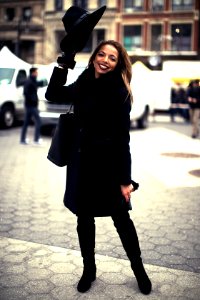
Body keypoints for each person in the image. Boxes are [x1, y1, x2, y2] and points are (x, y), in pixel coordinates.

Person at [45, 40, 152, 295]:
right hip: (81, 163)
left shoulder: (119, 91)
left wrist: (125, 180)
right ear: (93, 57)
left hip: (108, 166)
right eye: (101, 54)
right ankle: (89, 269)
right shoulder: (83, 83)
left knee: (122, 220)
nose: (105, 60)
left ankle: (139, 270)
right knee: (84, 219)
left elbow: (122, 138)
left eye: (112, 58)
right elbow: (53, 94)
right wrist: (64, 62)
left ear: (118, 64)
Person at [20, 67, 43, 145]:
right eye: (36, 72)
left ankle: (23, 140)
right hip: (31, 106)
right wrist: (33, 100)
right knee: (38, 121)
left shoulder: (32, 80)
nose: (37, 74)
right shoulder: (29, 81)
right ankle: (36, 140)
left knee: (26, 123)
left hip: (30, 106)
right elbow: (25, 93)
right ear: (33, 73)